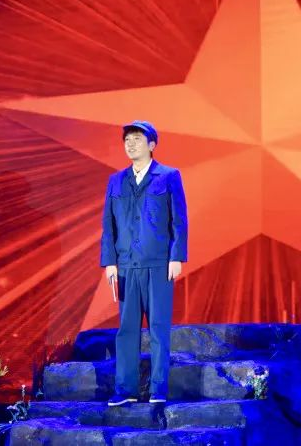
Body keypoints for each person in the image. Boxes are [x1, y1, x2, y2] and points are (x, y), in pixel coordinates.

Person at [100, 120, 188, 406]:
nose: (130, 144)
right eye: (127, 140)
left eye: (137, 139)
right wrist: (110, 262)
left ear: (152, 145)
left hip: (158, 264)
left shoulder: (169, 176)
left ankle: (158, 389)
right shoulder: (116, 181)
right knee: (127, 329)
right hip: (126, 266)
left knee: (158, 327)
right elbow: (108, 225)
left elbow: (179, 220)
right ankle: (125, 389)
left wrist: (176, 256)